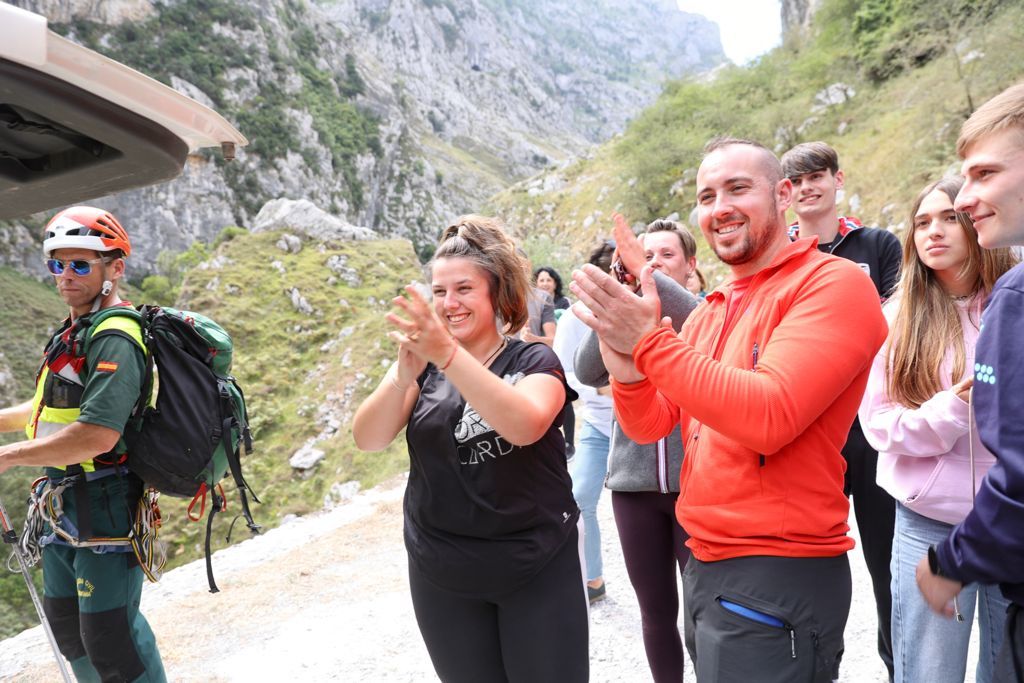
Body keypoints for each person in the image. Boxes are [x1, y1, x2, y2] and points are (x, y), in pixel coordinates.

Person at [570, 137, 888, 682]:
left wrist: (648, 344)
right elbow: (651, 424)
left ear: (782, 194)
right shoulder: (712, 310)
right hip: (706, 561)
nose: (720, 207)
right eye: (707, 195)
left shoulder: (833, 285)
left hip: (778, 568)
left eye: (738, 188)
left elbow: (769, 416)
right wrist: (622, 358)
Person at [352, 215, 588, 683]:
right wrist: (402, 374)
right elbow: (369, 438)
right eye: (439, 292)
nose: (449, 303)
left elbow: (525, 425)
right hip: (442, 572)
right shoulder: (422, 367)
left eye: (464, 289)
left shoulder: (534, 360)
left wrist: (448, 356)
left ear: (496, 295)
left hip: (534, 565)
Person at [860, 176, 1016, 682]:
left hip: (1009, 524)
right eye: (922, 221)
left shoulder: (1014, 308)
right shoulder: (896, 317)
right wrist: (950, 411)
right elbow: (878, 426)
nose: (934, 231)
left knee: (1007, 667)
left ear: (977, 222)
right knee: (929, 673)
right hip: (926, 523)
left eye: (949, 217)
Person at [0, 206, 166, 681]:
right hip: (60, 501)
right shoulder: (74, 332)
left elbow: (98, 433)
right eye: (58, 264)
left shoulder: (116, 336)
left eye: (81, 265)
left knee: (110, 637)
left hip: (105, 500)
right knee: (69, 632)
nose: (66, 276)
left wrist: (10, 457)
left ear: (115, 268)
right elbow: (41, 413)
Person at [781, 140, 904, 679]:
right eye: (797, 181)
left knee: (888, 566)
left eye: (817, 177)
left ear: (837, 179)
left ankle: (900, 666)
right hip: (808, 433)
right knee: (808, 568)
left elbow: (899, 328)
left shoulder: (878, 245)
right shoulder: (777, 256)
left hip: (874, 430)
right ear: (785, 194)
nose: (808, 188)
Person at [916, 82, 1024, 682]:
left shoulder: (1016, 295)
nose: (968, 198)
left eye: (984, 174)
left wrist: (951, 562)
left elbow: (1021, 476)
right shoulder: (901, 313)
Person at [574, 216, 699, 681]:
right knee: (656, 613)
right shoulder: (624, 317)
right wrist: (615, 307)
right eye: (645, 257)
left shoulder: (706, 313)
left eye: (666, 256)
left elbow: (704, 334)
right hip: (633, 486)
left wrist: (653, 285)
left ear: (690, 266)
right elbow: (587, 371)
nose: (653, 264)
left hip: (696, 487)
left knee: (703, 609)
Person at [554, 241, 616, 603]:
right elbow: (564, 368)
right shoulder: (576, 317)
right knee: (580, 498)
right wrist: (601, 391)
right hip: (598, 423)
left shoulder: (638, 308)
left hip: (646, 425)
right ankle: (592, 577)